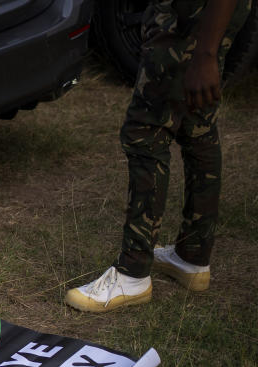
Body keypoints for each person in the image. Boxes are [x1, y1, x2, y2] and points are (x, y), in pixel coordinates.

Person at [66, 0, 252, 312]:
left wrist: (205, 53)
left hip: (191, 13)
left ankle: (133, 272)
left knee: (145, 130)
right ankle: (192, 256)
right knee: (197, 124)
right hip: (200, 15)